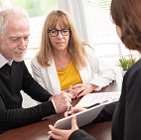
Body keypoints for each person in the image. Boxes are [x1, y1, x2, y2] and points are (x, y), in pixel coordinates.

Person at [48, 0, 141, 139]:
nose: (60, 36)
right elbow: (126, 105)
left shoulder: (137, 75)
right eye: (54, 31)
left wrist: (75, 137)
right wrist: (91, 112)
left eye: (116, 23)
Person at [0, 7, 72, 140]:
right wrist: (51, 106)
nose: (23, 46)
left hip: (17, 129)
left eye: (26, 37)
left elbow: (28, 83)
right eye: (15, 39)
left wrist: (51, 98)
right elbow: (0, 120)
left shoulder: (13, 53)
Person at [31, 10, 116, 99]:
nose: (60, 36)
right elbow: (42, 98)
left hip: (87, 105)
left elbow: (110, 71)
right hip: (62, 111)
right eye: (54, 31)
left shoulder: (84, 50)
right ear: (47, 34)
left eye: (64, 31)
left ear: (70, 33)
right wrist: (65, 94)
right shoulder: (37, 63)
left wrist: (90, 86)